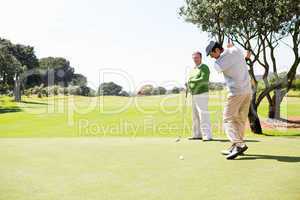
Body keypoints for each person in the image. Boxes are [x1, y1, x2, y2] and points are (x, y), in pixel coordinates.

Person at [206, 41, 252, 160]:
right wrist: (231, 48)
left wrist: (224, 53)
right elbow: (247, 55)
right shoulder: (235, 50)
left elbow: (217, 67)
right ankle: (236, 146)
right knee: (240, 119)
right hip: (248, 91)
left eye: (211, 54)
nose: (211, 57)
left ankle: (239, 144)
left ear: (217, 50)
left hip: (236, 92)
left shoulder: (219, 61)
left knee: (227, 118)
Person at [187, 51, 213, 141]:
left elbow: (204, 79)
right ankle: (197, 134)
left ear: (201, 58)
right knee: (195, 115)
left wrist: (191, 81)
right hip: (194, 94)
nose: (195, 59)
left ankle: (207, 136)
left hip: (202, 93)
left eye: (197, 57)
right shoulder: (193, 69)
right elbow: (189, 80)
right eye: (194, 58)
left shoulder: (204, 67)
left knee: (203, 114)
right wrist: (189, 85)